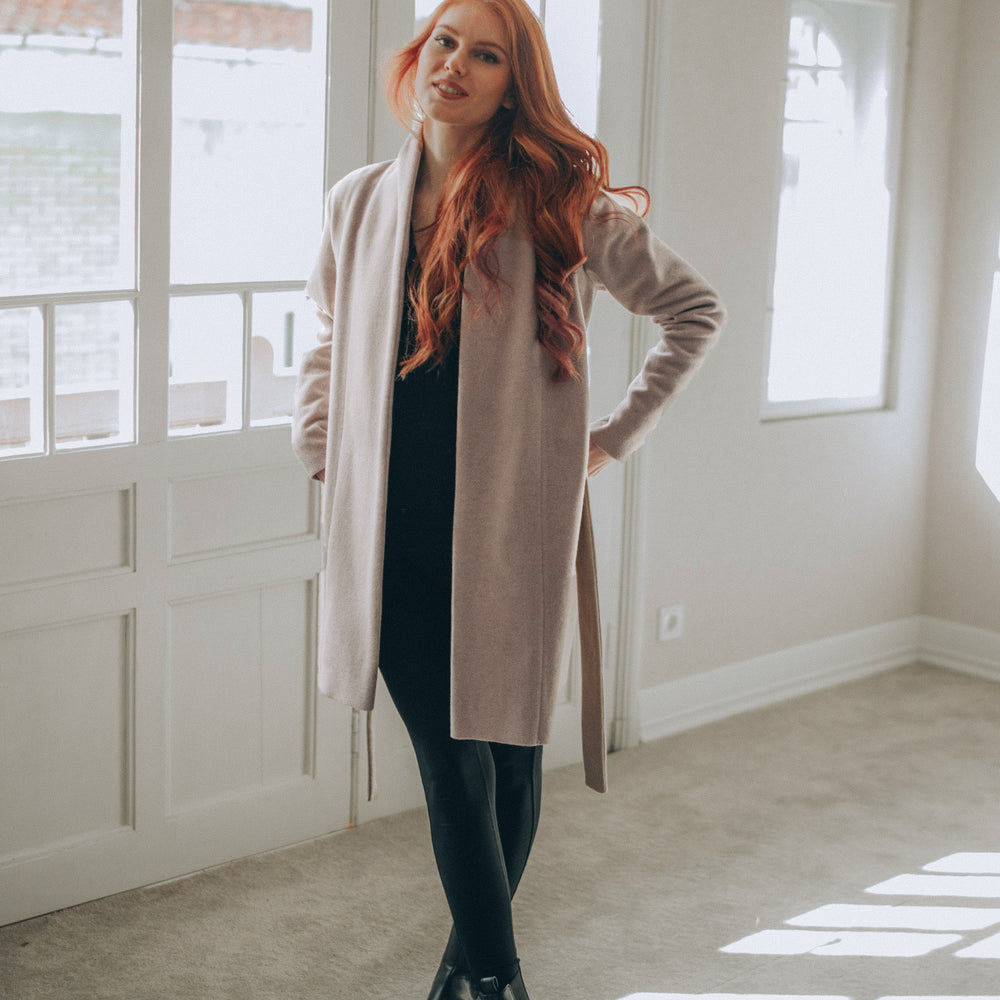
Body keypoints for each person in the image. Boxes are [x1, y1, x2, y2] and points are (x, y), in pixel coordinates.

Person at [291, 1, 725, 996]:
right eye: (446, 41)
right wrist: (321, 446)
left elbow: (692, 313)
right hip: (387, 523)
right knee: (450, 763)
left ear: (511, 85)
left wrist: (613, 439)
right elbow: (321, 334)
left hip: (506, 524)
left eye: (485, 55)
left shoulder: (564, 208)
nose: (455, 64)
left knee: (512, 753)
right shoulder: (358, 200)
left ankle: (468, 973)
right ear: (421, 53)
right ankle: (498, 976)